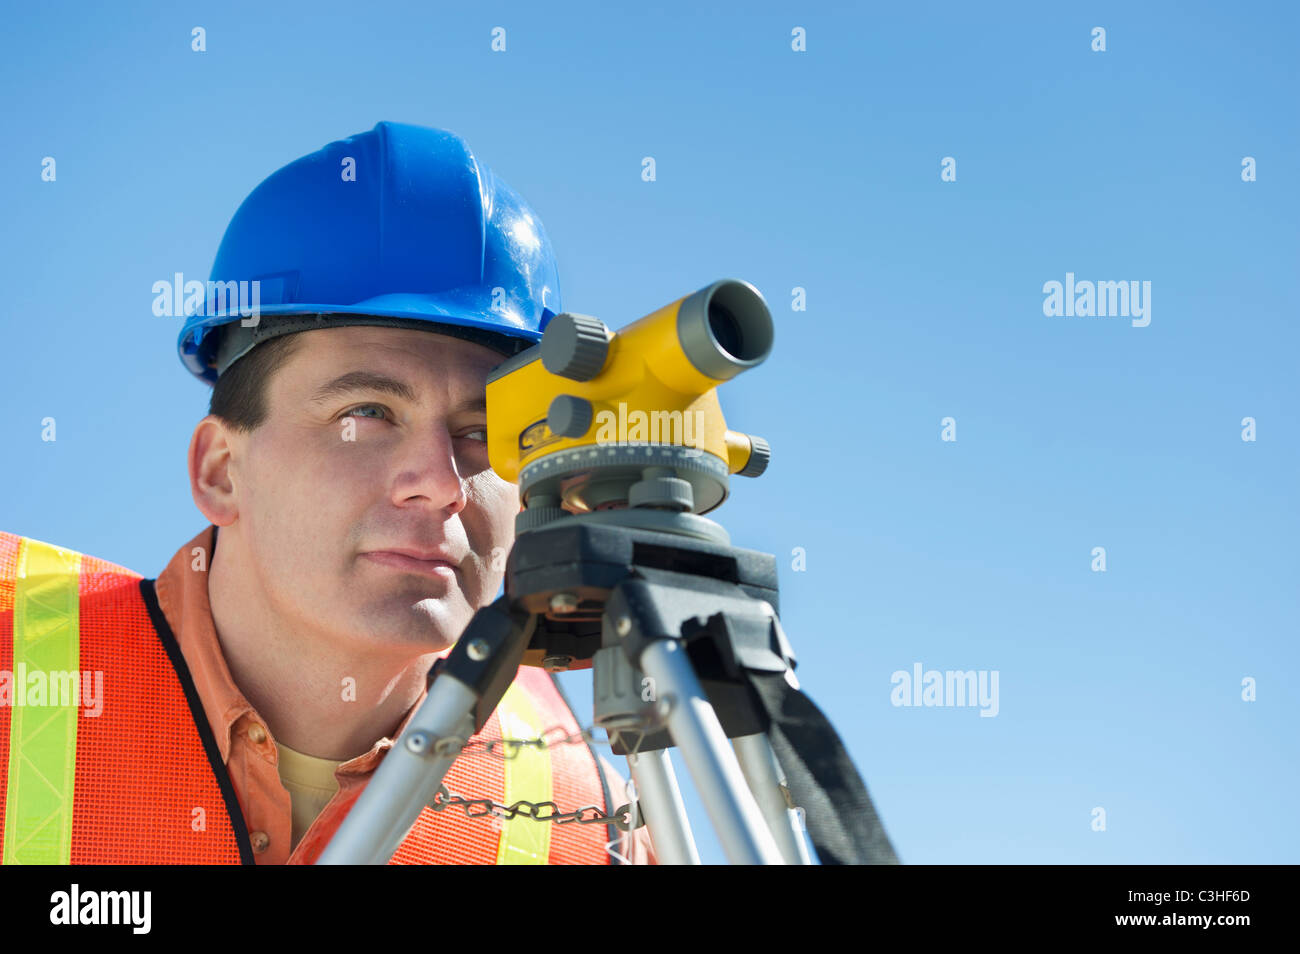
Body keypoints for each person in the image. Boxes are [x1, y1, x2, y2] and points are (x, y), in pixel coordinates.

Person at [0, 122, 653, 865]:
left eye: (479, 433)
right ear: (220, 470)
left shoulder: (598, 820)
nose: (439, 482)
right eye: (366, 414)